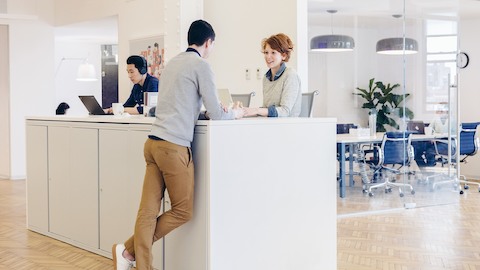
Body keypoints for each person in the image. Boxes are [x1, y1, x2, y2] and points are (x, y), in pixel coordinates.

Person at [112, 20, 245, 270]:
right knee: (183, 210)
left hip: (152, 144)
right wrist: (235, 115)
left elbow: (178, 104)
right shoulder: (201, 66)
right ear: (208, 43)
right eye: (213, 45)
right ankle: (129, 250)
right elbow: (217, 112)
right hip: (173, 147)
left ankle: (135, 260)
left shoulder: (172, 63)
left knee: (147, 213)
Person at [244, 33, 301, 117]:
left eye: (273, 52)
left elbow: (285, 111)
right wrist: (244, 111)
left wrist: (257, 110)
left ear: (284, 56)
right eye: (266, 52)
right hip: (271, 125)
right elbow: (266, 109)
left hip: (287, 126)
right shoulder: (266, 78)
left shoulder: (290, 75)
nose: (268, 56)